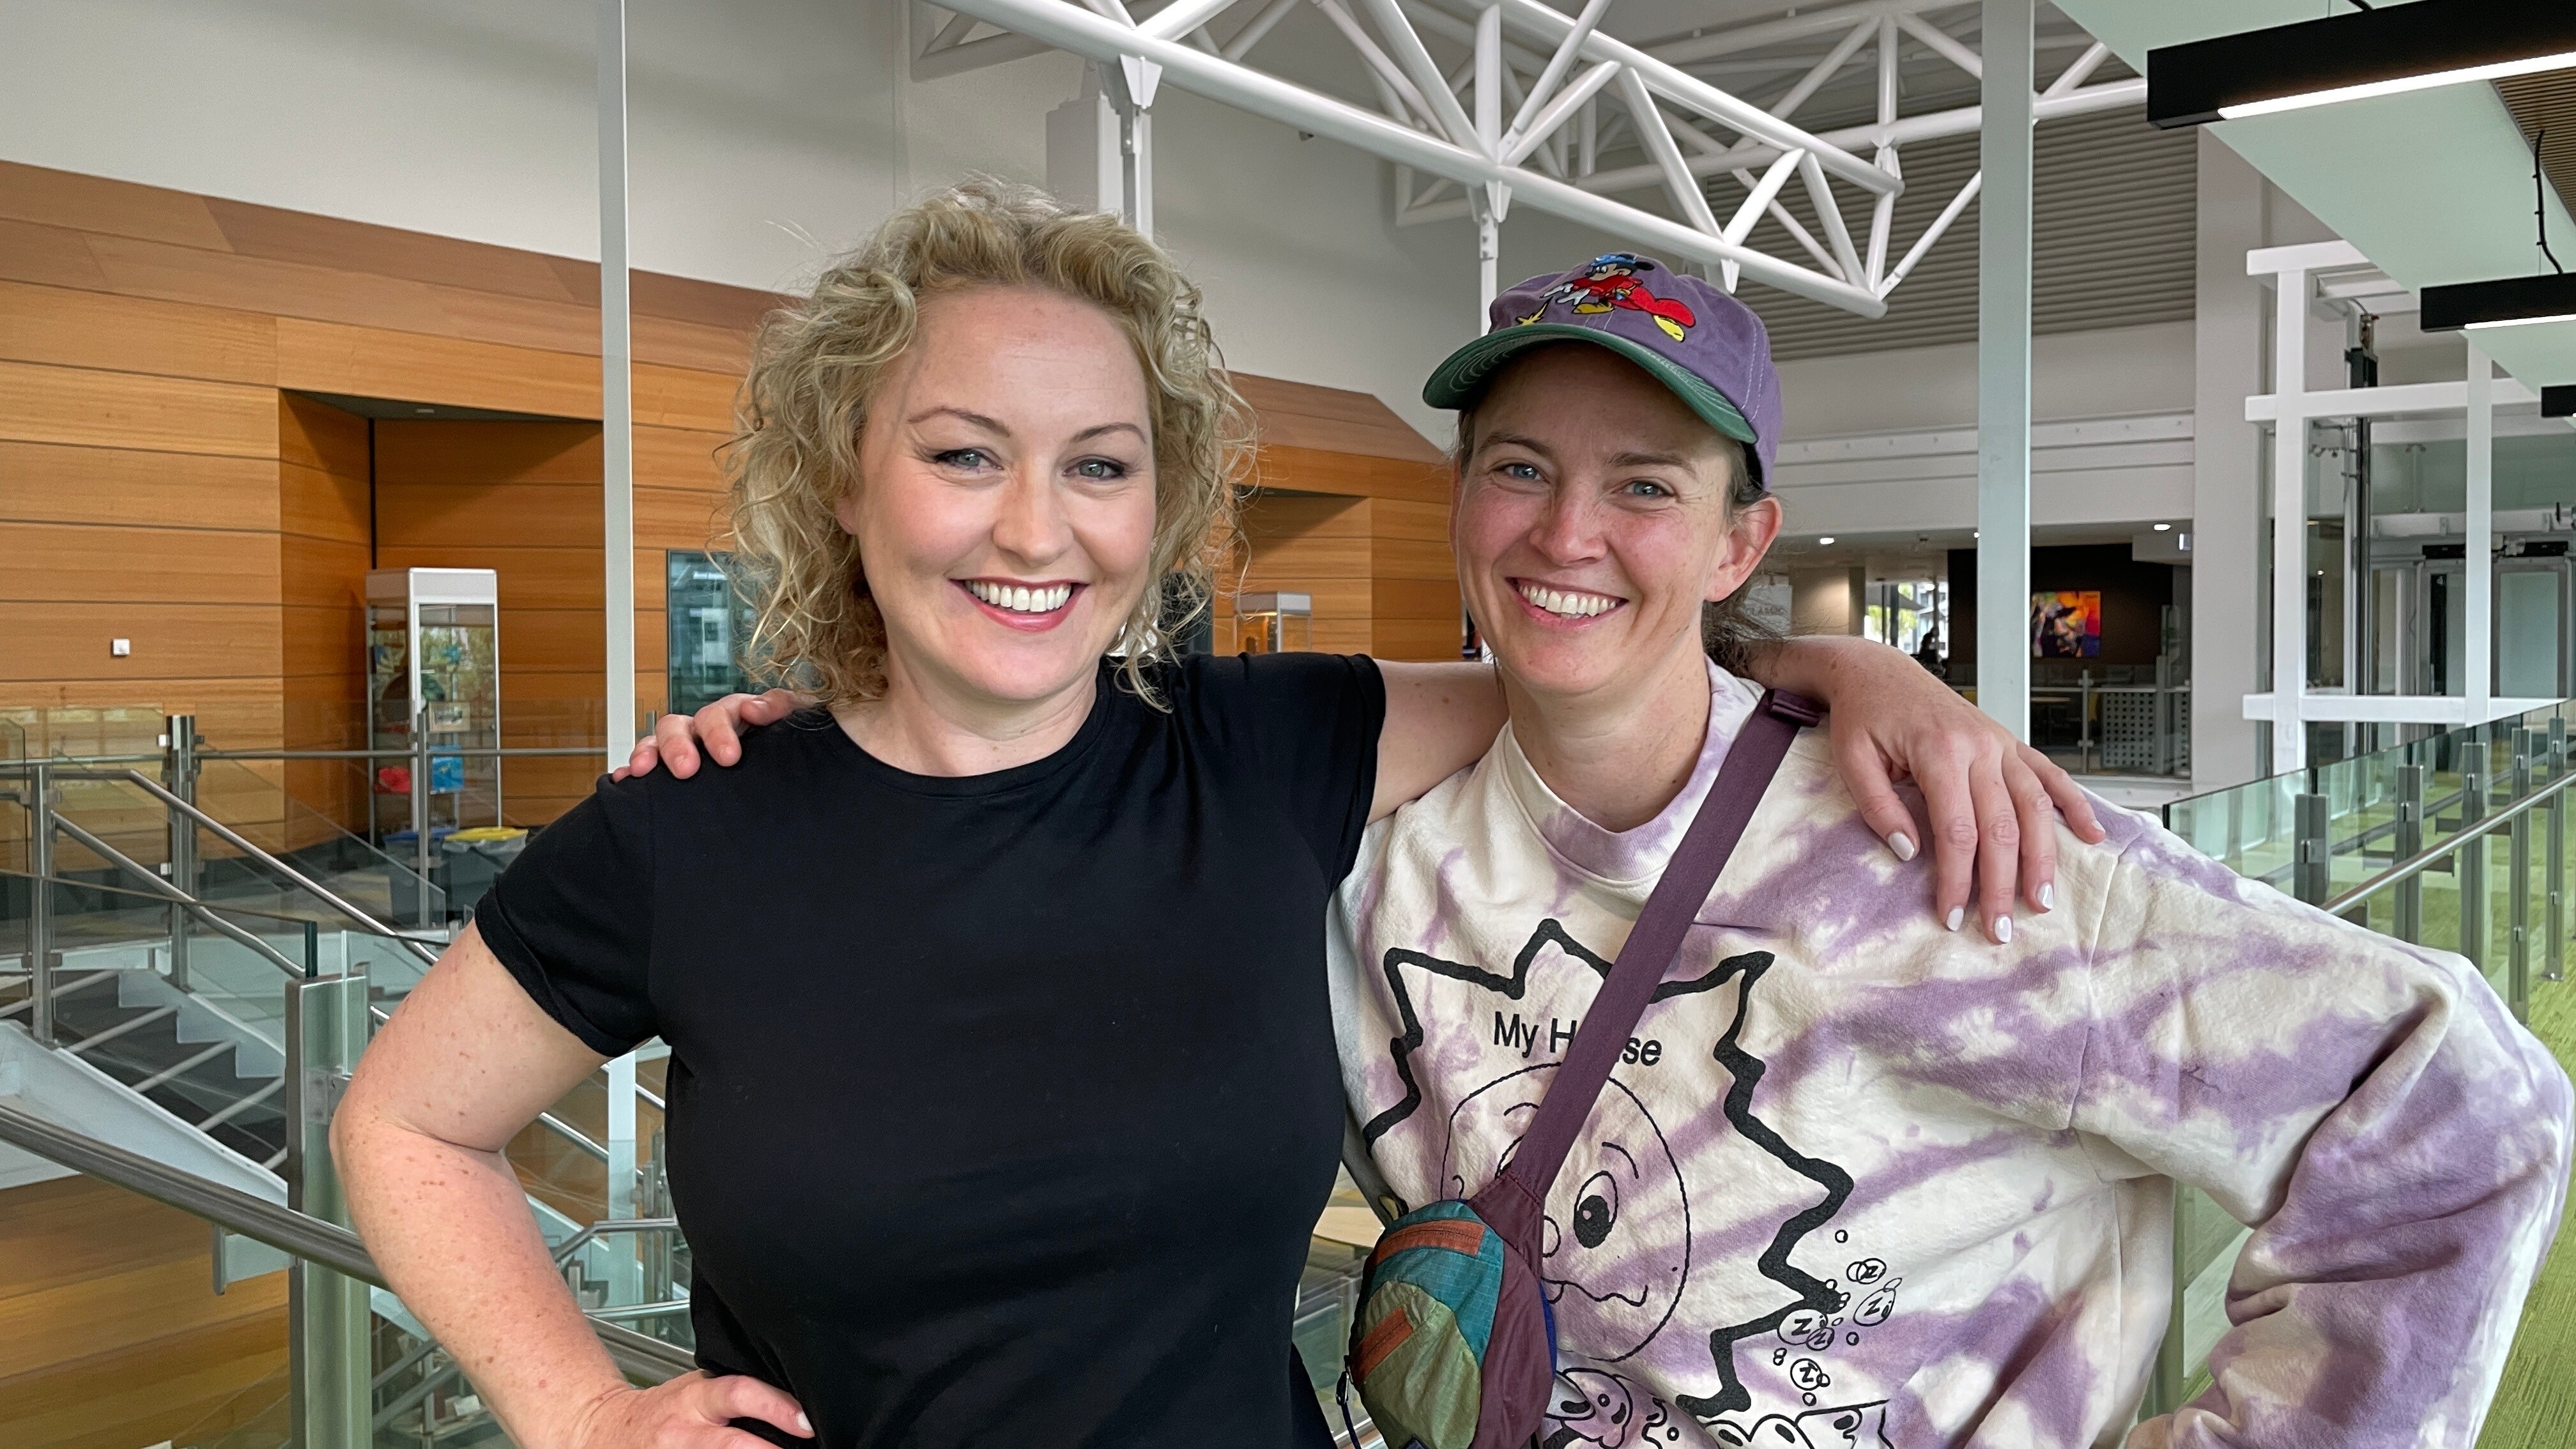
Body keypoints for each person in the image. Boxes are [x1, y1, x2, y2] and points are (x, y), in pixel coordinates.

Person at [434, 182, 2087, 1449]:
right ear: (844, 479)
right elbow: (410, 1124)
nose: (1035, 523)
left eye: (1098, 463)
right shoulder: (695, 831)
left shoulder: (1257, 747)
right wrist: (580, 1408)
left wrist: (1844, 660)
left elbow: (1585, 660)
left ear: (1161, 504)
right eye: (961, 453)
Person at [1322, 256, 2573, 1445]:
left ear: (1741, 544)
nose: (1566, 532)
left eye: (1645, 485)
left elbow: (2459, 1115)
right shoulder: (1366, 858)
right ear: (1461, 498)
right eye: (1521, 469)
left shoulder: (1952, 861)